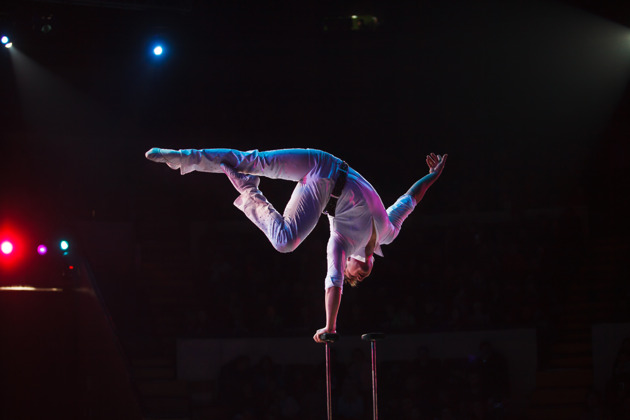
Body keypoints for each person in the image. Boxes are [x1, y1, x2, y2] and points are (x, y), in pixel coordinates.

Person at [145, 147, 447, 343]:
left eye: (355, 275)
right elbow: (411, 198)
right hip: (323, 161)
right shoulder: (388, 233)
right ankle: (182, 156)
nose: (358, 273)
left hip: (322, 187)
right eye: (361, 275)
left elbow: (334, 281)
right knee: (254, 161)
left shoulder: (341, 244)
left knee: (285, 241)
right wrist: (432, 176)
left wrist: (329, 326)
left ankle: (241, 187)